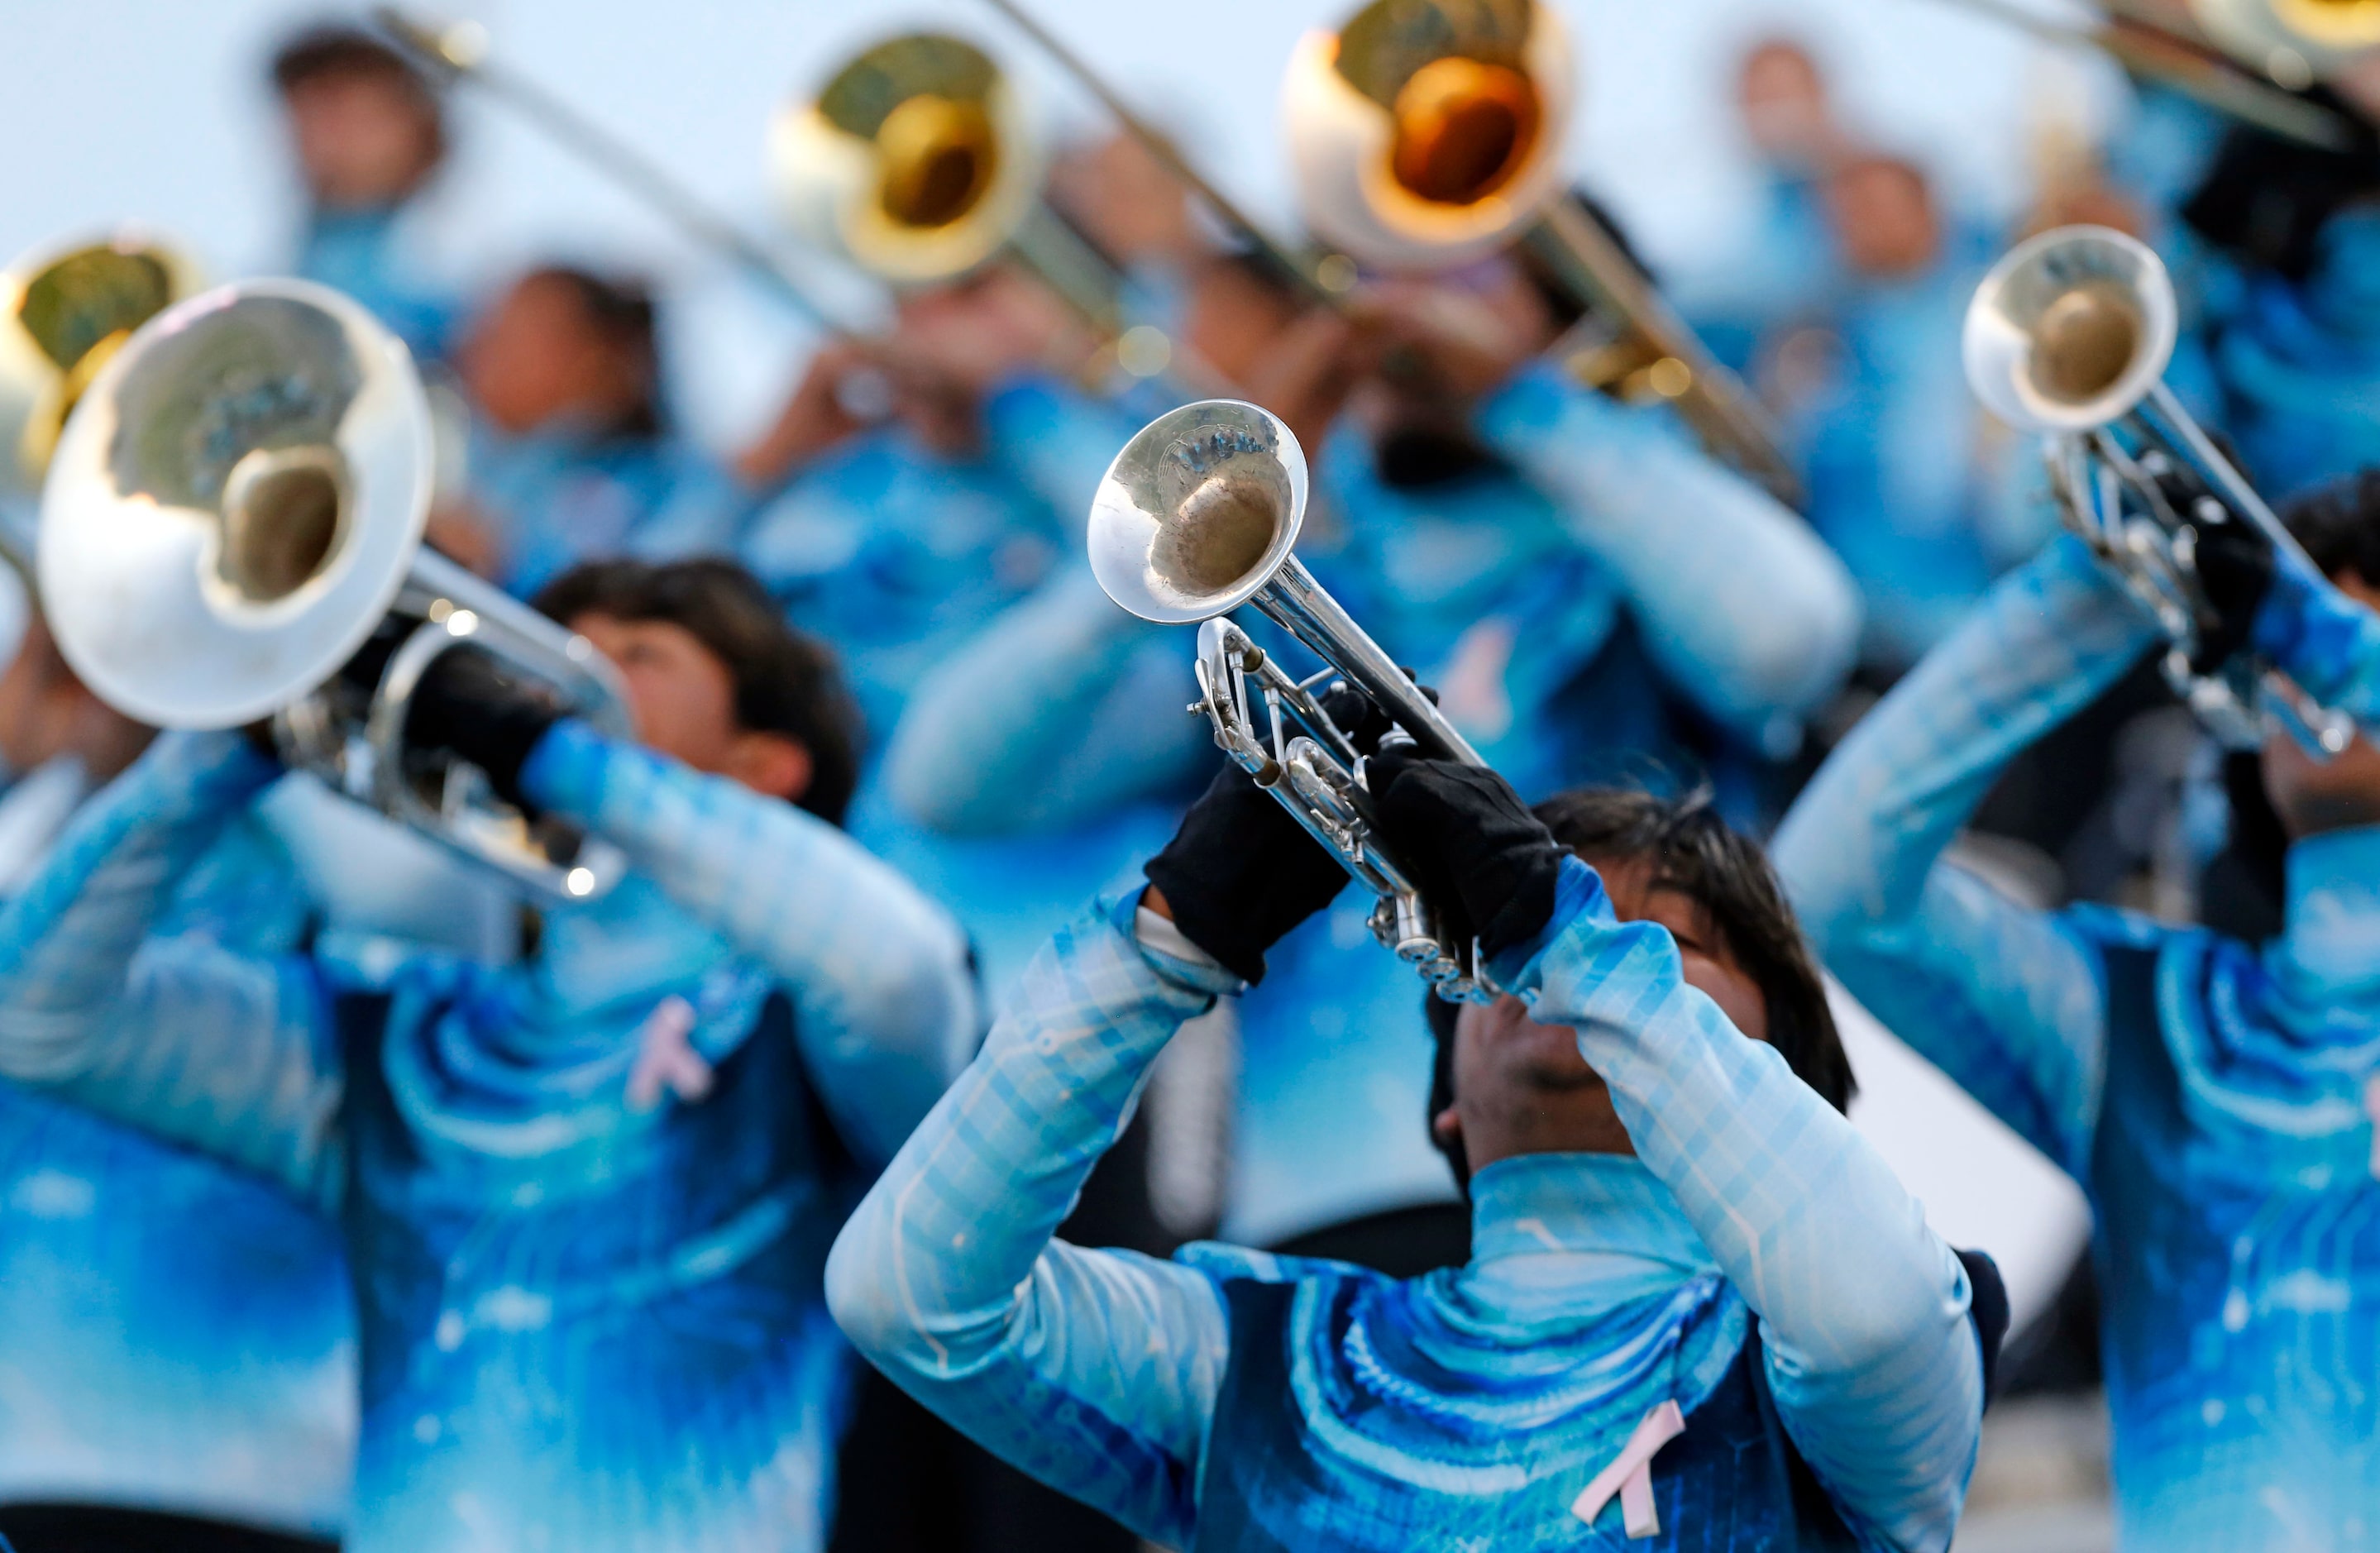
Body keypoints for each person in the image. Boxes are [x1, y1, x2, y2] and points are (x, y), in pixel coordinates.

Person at [0, 557, 977, 1553]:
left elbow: (899, 971)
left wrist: (558, 756)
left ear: (764, 768)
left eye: (635, 657)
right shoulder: (404, 1037)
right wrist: (221, 743)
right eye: (550, 660)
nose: (563, 679)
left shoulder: (803, 1034)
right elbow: (36, 1017)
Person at [886, 264, 1863, 1254]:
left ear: (1578, 333)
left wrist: (1521, 403)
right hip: (1324, 1223)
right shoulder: (1290, 596)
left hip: (1642, 1193)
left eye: (1470, 276)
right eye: (1361, 278)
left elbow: (1790, 639)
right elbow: (948, 787)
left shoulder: (1643, 570)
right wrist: (1200, 507)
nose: (1399, 306)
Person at [828, 729, 2005, 1549]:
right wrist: (1157, 951)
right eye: (1523, 952)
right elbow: (905, 1296)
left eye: (1667, 946)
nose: (1580, 966)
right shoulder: (1259, 1350)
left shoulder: (1811, 1353)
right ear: (1446, 1094)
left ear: (1774, 1080)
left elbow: (1877, 1307)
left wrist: (1571, 942)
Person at [1774, 477, 2380, 1546]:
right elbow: (1835, 890)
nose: (2330, 666)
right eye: (2310, 638)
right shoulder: (2152, 1019)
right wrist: (2091, 588)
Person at [0, 592, 351, 1550]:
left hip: (247, 1470)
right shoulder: (28, 838)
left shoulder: (325, 847)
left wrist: (220, 726)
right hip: (28, 1454)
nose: (93, 675)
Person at [444, 266, 741, 593]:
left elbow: (620, 592)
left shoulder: (646, 482)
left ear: (594, 365)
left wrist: (500, 556)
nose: (477, 343)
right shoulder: (487, 442)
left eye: (510, 337)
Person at [270, 24, 459, 362]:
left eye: (355, 113)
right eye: (310, 108)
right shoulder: (249, 296)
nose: (327, 131)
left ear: (418, 133)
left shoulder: (458, 324)